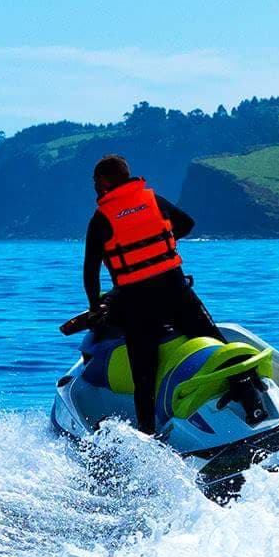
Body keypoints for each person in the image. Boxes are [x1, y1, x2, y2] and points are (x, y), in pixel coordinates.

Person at [83, 154, 222, 436]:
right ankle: (250, 394)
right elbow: (186, 223)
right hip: (176, 292)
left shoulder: (101, 218)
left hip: (138, 304)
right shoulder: (152, 201)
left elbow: (90, 272)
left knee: (143, 379)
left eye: (95, 181)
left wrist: (95, 307)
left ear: (104, 180)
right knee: (217, 345)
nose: (95, 186)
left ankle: (148, 436)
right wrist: (159, 241)